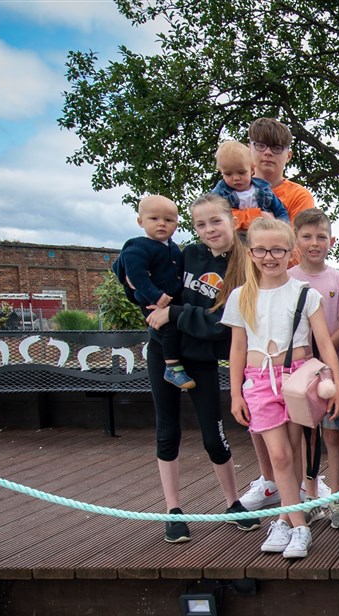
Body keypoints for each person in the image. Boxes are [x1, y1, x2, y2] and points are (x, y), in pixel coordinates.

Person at [223, 217, 339, 560]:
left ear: (290, 252)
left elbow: (324, 342)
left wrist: (333, 384)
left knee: (293, 453)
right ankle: (298, 524)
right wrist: (235, 393)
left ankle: (286, 519)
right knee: (278, 455)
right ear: (250, 252)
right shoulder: (241, 296)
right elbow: (236, 348)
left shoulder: (305, 294)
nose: (269, 256)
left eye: (277, 249)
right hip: (259, 382)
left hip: (296, 380)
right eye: (261, 249)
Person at [142, 194, 257, 544]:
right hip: (165, 349)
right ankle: (173, 510)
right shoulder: (186, 255)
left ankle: (232, 502)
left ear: (233, 221)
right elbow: (151, 283)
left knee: (213, 434)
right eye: (200, 224)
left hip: (203, 358)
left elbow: (222, 325)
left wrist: (176, 314)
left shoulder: (243, 267)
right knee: (167, 431)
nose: (209, 230)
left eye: (216, 222)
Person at [287, 208, 339, 528]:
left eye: (321, 237)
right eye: (307, 236)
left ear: (332, 240)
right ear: (296, 239)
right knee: (305, 435)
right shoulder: (287, 279)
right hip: (299, 373)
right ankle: (311, 495)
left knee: (332, 434)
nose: (315, 243)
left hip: (333, 369)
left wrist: (325, 348)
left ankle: (337, 496)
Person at [114, 194, 187, 390]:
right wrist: (156, 296)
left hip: (171, 300)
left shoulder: (174, 249)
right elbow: (136, 277)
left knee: (177, 324)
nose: (162, 224)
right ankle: (172, 367)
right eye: (154, 219)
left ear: (177, 224)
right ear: (140, 221)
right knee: (169, 327)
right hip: (152, 302)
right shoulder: (138, 247)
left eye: (169, 220)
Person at [212, 140, 289, 234]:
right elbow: (213, 214)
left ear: (252, 169)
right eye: (228, 174)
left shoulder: (264, 190)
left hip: (264, 235)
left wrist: (283, 229)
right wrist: (259, 215)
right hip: (235, 238)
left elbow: (280, 210)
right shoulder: (220, 194)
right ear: (221, 172)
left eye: (241, 172)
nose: (236, 178)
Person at [248, 118, 317, 222]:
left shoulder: (299, 197)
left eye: (276, 148)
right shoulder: (229, 188)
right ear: (249, 149)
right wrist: (260, 216)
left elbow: (297, 237)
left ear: (288, 156)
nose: (268, 152)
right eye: (261, 145)